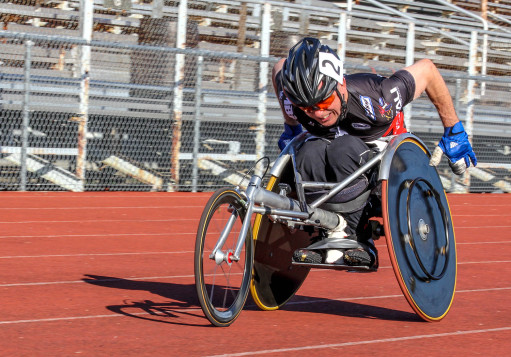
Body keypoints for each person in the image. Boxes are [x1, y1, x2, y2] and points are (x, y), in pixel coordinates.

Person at [272, 37, 477, 268]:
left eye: (325, 101)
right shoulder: (294, 98)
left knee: (343, 148)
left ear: (340, 84)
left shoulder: (380, 97)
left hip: (383, 156)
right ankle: (328, 234)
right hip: (328, 150)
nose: (318, 114)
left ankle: (361, 237)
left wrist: (454, 130)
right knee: (307, 152)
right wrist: (290, 125)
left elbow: (427, 70)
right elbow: (280, 67)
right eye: (308, 108)